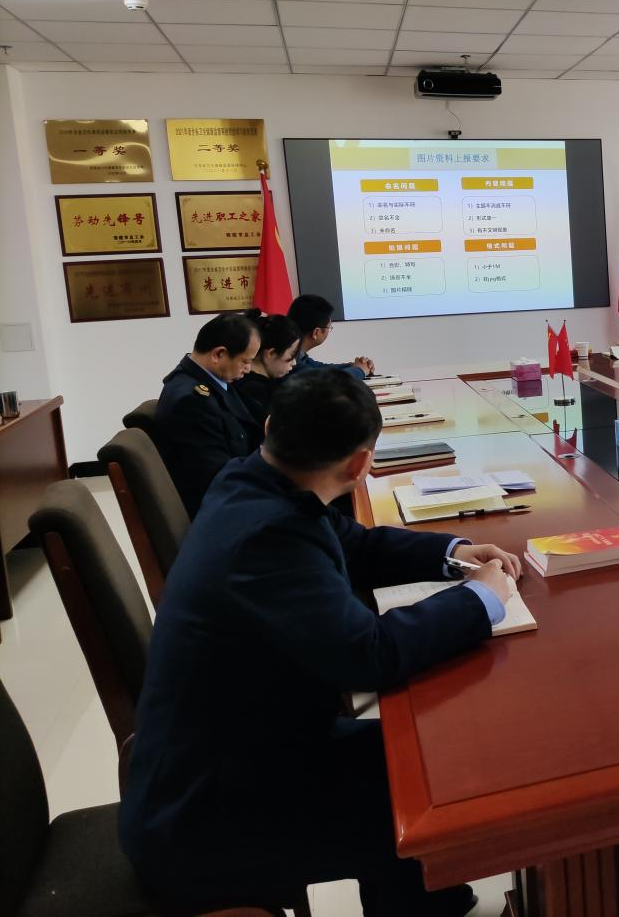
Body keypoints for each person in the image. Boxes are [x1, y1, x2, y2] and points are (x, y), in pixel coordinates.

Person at [120, 370, 521, 916]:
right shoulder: (268, 535)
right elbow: (369, 655)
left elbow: (353, 543)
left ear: (270, 426)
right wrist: (481, 600)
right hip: (207, 817)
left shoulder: (251, 480)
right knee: (413, 805)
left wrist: (452, 554)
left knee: (423, 761)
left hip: (241, 751)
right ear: (360, 464)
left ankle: (436, 901)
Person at [154, 312, 262, 517]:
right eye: (245, 361)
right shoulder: (192, 401)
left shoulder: (212, 381)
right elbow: (218, 476)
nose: (248, 369)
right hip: (221, 510)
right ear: (218, 354)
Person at [233, 309, 301, 445]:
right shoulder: (253, 390)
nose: (294, 363)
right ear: (270, 353)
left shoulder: (264, 383)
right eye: (291, 356)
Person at [288, 293, 375, 378]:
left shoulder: (297, 353)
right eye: (329, 327)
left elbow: (319, 368)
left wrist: (354, 366)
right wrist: (360, 370)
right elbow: (323, 381)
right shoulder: (289, 359)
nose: (329, 330)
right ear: (316, 333)